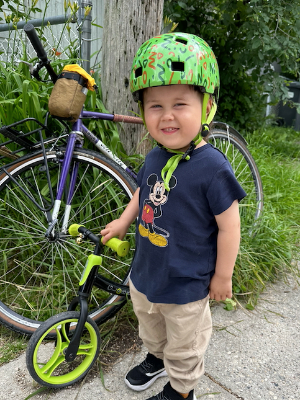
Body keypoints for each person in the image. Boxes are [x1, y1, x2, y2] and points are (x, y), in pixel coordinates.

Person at [101, 32, 246, 400]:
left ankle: (182, 390)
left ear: (206, 106)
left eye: (180, 103)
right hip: (147, 272)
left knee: (185, 342)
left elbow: (230, 225)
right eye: (155, 106)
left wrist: (222, 276)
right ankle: (155, 356)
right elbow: (142, 191)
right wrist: (122, 220)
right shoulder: (154, 156)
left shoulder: (213, 167)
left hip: (186, 284)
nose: (167, 116)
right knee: (151, 326)